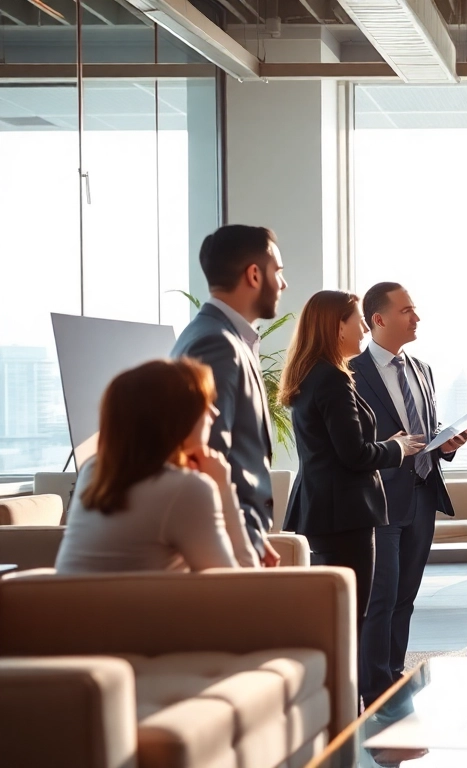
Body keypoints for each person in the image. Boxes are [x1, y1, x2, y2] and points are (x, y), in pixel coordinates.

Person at [351, 282, 467, 704]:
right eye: (407, 311)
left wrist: (448, 443)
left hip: (423, 493)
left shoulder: (423, 369)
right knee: (380, 597)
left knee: (406, 595)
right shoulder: (351, 372)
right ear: (378, 320)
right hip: (379, 500)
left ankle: (395, 674)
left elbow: (427, 431)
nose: (416, 318)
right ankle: (373, 687)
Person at [280, 290, 423, 651]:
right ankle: (355, 702)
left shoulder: (312, 374)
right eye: (356, 320)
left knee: (341, 613)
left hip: (325, 508)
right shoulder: (333, 378)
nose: (363, 327)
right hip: (345, 512)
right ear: (336, 327)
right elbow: (354, 455)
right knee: (353, 616)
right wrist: (398, 448)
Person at [56, 358, 257, 573]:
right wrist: (223, 488)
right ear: (177, 417)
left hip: (74, 607)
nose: (214, 414)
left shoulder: (94, 472)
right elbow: (241, 589)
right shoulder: (186, 489)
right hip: (143, 608)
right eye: (204, 404)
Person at [171, 225, 287, 567]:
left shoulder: (221, 337)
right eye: (278, 272)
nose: (283, 283)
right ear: (254, 274)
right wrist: (242, 540)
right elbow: (206, 457)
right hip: (222, 547)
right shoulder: (217, 344)